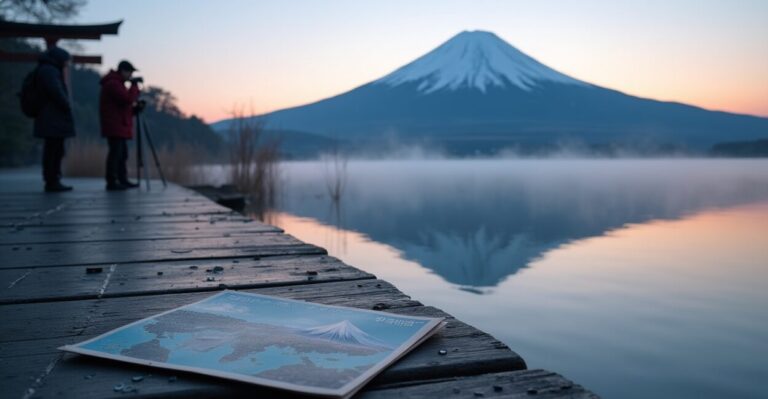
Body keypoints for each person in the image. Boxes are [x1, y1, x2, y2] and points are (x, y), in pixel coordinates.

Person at [34, 46, 75, 192]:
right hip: (52, 118)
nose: (67, 64)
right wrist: (66, 104)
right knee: (54, 151)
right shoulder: (50, 71)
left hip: (51, 118)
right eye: (66, 61)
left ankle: (52, 179)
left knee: (54, 150)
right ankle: (52, 180)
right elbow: (55, 91)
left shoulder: (46, 70)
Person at [100, 60, 141, 190]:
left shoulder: (118, 84)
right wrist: (134, 87)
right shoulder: (113, 84)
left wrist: (135, 110)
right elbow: (127, 99)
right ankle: (112, 181)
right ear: (123, 71)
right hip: (115, 126)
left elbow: (124, 107)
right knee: (116, 154)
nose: (131, 76)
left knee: (122, 154)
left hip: (119, 125)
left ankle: (122, 179)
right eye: (130, 72)